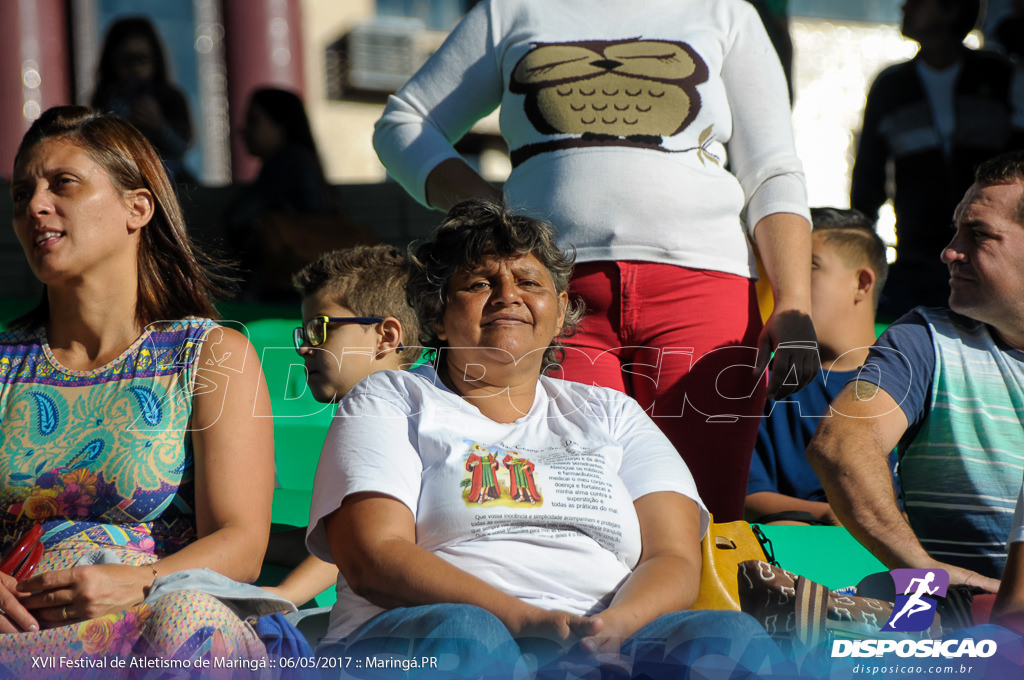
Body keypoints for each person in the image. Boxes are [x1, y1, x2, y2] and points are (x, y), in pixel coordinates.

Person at [371, 0, 818, 522]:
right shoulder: (510, 10)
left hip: (704, 291)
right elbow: (403, 123)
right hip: (551, 296)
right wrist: (494, 216)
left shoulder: (725, 12)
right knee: (579, 510)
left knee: (703, 513)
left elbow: (772, 171)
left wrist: (794, 301)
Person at [306, 200, 784, 678]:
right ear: (437, 316)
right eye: (479, 283)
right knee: (469, 633)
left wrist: (614, 627)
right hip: (424, 637)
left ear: (559, 316)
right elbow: (373, 555)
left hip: (603, 647)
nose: (507, 295)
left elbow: (673, 554)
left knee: (727, 636)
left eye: (529, 282)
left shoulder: (612, 412)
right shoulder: (392, 397)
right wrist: (525, 620)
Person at [0, 106, 277, 670]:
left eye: (64, 184)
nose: (35, 206)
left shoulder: (208, 355)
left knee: (188, 620)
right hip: (21, 637)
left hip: (159, 618)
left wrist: (139, 583)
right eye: (21, 193)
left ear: (137, 207)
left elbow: (242, 543)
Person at [808, 151, 1024, 594]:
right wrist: (925, 571)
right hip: (949, 629)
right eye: (956, 230)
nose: (949, 251)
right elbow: (841, 445)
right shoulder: (924, 339)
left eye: (978, 235)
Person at [261, 245, 424, 610]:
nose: (304, 348)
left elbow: (357, 541)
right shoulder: (411, 406)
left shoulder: (381, 412)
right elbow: (330, 545)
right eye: (303, 334)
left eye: (319, 330)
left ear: (386, 337)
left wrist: (283, 597)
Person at [850, 0, 1024, 320]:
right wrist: (858, 255)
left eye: (917, 1)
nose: (904, 7)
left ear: (951, 8)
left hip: (991, 260)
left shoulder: (1000, 76)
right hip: (914, 259)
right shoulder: (891, 87)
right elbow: (867, 182)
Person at [746, 208, 889, 526]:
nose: (785, 284)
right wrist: (829, 515)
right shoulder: (763, 380)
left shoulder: (916, 379)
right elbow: (746, 494)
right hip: (792, 556)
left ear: (862, 283)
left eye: (806, 267)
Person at [90, 16, 196, 185]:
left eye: (142, 59)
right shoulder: (105, 100)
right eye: (127, 61)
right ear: (112, 63)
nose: (136, 69)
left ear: (155, 60)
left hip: (170, 180)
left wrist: (160, 127)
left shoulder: (172, 98)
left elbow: (183, 147)